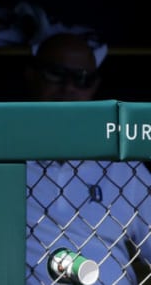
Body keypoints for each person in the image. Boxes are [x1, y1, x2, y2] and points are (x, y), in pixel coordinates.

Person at [25, 32, 151, 284]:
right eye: (56, 73)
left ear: (94, 86)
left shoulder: (123, 167)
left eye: (82, 79)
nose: (68, 87)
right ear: (31, 74)